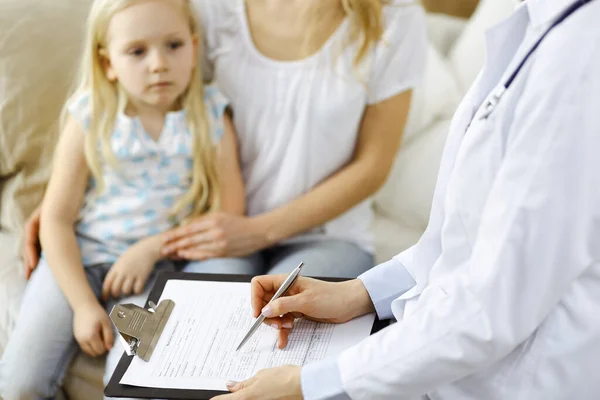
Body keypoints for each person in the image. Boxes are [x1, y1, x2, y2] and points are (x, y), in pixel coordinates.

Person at [211, 0, 600, 399]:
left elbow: (491, 306)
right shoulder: (538, 26)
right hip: (448, 368)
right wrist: (356, 293)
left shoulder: (579, 62)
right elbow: (461, 243)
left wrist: (309, 385)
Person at [22, 0, 428, 280]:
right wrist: (60, 199)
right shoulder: (214, 8)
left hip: (326, 236)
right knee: (193, 339)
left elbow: (373, 164)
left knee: (275, 326)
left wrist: (259, 231)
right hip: (211, 225)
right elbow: (149, 92)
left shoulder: (394, 19)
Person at [0, 0, 245, 398]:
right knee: (20, 382)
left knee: (131, 385)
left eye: (173, 46)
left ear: (195, 47)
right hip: (80, 259)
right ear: (108, 63)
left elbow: (229, 214)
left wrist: (152, 248)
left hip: (158, 270)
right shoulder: (89, 115)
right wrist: (82, 305)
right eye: (137, 51)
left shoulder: (212, 113)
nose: (158, 64)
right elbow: (57, 219)